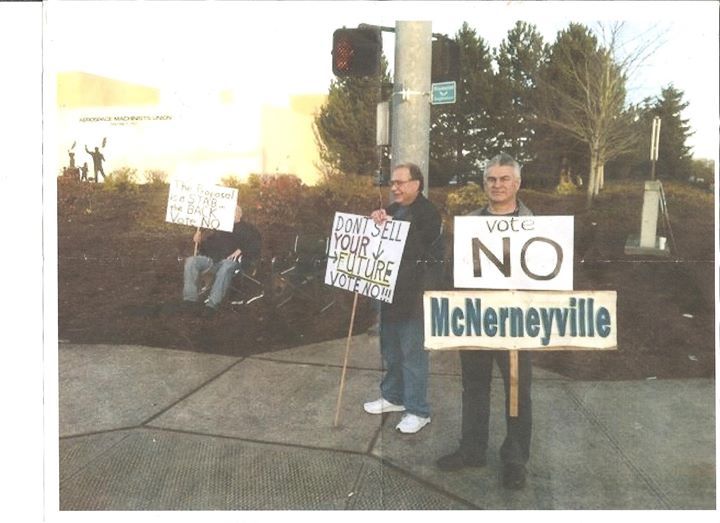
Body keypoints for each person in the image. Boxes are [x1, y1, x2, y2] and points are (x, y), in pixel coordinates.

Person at [435, 152, 533, 490]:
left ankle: (516, 458)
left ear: (517, 183)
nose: (498, 185)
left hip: (517, 323)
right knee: (474, 388)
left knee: (517, 391)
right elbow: (452, 272)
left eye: (505, 179)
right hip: (477, 319)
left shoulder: (535, 225)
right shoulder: (469, 224)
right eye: (491, 179)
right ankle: (472, 449)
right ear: (484, 184)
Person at [364, 162, 442, 434]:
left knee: (412, 354)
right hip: (389, 292)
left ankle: (418, 410)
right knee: (391, 350)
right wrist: (376, 219)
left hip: (414, 294)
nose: (394, 187)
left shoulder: (428, 213)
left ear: (416, 184)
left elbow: (425, 251)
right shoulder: (394, 209)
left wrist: (393, 228)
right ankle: (393, 397)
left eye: (400, 182)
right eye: (392, 183)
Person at [182, 205, 261, 317]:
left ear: (239, 214)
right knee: (191, 261)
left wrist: (241, 250)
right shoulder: (222, 228)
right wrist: (199, 242)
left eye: (233, 212)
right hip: (213, 260)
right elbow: (207, 247)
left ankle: (212, 305)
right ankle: (190, 300)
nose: (229, 215)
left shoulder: (248, 229)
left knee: (226, 266)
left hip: (232, 263)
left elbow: (255, 245)